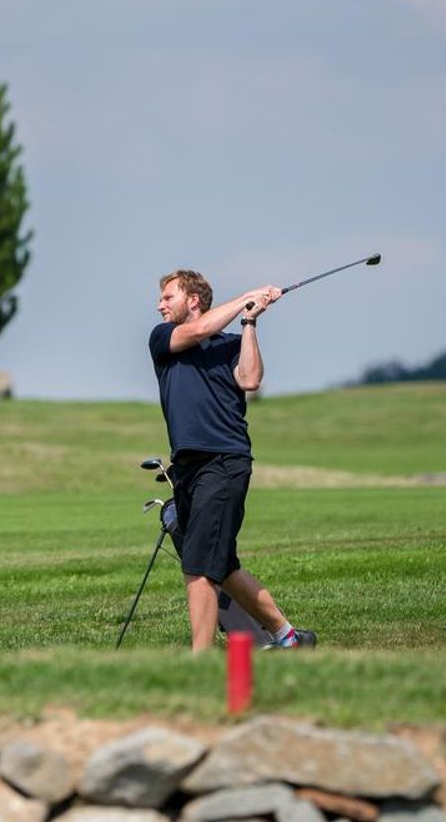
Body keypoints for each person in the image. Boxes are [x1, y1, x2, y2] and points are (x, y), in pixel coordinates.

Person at [149, 268, 316, 653]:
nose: (160, 305)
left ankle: (200, 660)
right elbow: (197, 331)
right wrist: (245, 298)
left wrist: (250, 322)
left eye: (168, 297)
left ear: (193, 300)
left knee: (198, 562)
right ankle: (289, 638)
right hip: (187, 467)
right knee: (221, 565)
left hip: (225, 461)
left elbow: (250, 379)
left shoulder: (230, 344)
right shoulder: (163, 338)